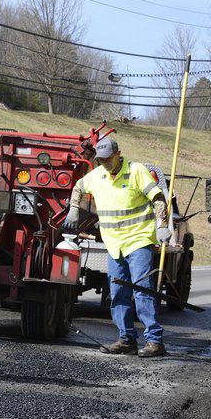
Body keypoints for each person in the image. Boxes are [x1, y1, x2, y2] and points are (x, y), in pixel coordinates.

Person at [63, 137, 171, 358]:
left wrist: (161, 225)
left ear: (118, 153)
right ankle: (126, 339)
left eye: (108, 159)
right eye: (100, 160)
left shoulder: (136, 171)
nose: (104, 163)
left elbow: (158, 198)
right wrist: (74, 208)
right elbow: (78, 187)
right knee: (118, 293)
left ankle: (154, 341)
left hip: (138, 240)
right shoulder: (97, 175)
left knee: (141, 290)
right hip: (114, 244)